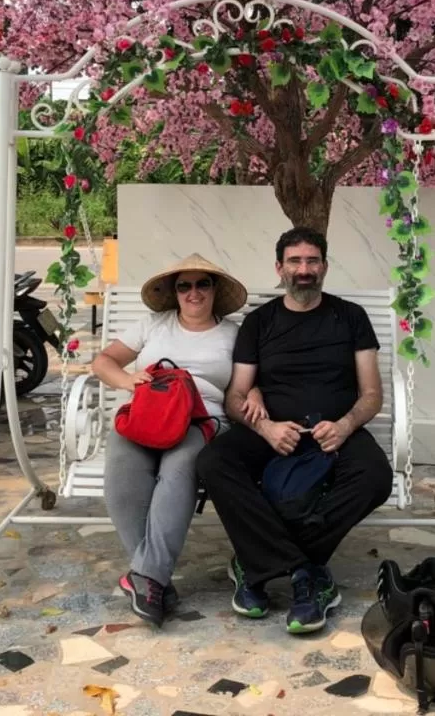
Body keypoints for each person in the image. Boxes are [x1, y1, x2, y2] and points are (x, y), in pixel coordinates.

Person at [197, 226, 393, 635]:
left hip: (334, 430)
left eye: (312, 261)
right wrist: (266, 428)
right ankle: (307, 573)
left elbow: (372, 394)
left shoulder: (351, 317)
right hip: (274, 431)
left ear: (324, 266)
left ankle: (254, 564)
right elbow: (236, 397)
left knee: (375, 477)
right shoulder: (259, 322)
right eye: (295, 261)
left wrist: (345, 425)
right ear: (279, 268)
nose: (304, 270)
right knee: (214, 461)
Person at [90, 253, 247, 626]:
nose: (194, 292)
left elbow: (247, 383)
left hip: (202, 419)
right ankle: (152, 578)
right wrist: (129, 380)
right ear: (174, 292)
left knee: (179, 470)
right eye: (184, 286)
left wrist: (251, 397)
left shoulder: (234, 334)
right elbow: (103, 361)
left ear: (215, 290)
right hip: (149, 414)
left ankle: (147, 577)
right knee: (121, 471)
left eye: (202, 284)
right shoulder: (153, 325)